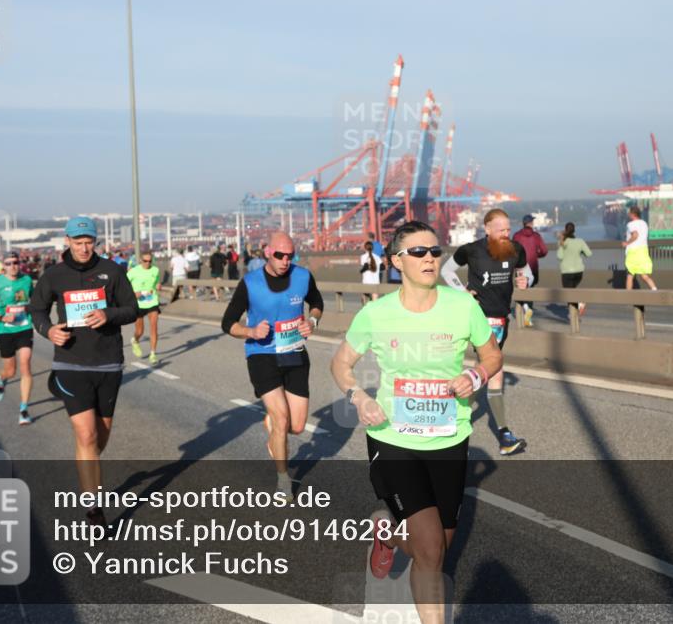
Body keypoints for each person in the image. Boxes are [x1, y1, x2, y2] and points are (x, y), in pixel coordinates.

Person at [330, 220, 501, 622]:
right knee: (428, 549)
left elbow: (492, 356)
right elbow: (340, 363)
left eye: (434, 251)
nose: (429, 258)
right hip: (393, 438)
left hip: (448, 439)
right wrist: (357, 397)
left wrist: (475, 376)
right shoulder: (376, 313)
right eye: (418, 252)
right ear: (396, 261)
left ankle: (387, 532)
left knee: (438, 548)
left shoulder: (463, 307)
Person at [28, 216, 138, 526]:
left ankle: (87, 461)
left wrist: (109, 313)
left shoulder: (112, 271)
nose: (84, 248)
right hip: (70, 362)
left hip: (108, 363)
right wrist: (48, 330)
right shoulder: (54, 275)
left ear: (95, 242)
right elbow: (36, 309)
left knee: (98, 439)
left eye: (89, 242)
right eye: (78, 242)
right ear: (67, 242)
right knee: (86, 434)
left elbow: (132, 309)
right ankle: (94, 509)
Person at [221, 231, 323, 496]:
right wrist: (250, 332)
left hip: (295, 353)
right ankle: (282, 480)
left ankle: (275, 430)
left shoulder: (302, 277)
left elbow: (317, 302)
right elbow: (227, 322)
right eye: (279, 255)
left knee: (297, 426)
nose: (285, 261)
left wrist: (311, 322)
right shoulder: (251, 283)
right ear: (267, 252)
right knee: (281, 418)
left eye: (290, 256)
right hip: (262, 354)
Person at [441, 208, 529, 456]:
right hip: (476, 316)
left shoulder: (515, 249)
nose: (505, 234)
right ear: (487, 229)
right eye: (501, 230)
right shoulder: (471, 250)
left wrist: (525, 280)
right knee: (493, 368)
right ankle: (501, 434)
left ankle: (456, 421)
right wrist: (461, 292)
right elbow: (447, 271)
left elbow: (525, 272)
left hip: (501, 318)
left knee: (490, 370)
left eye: (508, 229)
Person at [0, 252, 35, 426]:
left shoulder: (26, 280)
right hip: (4, 331)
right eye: (9, 263)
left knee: (25, 364)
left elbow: (33, 299)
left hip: (24, 327)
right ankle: (2, 379)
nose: (13, 266)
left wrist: (30, 308)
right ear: (3, 266)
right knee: (10, 371)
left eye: (15, 262)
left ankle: (23, 409)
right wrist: (2, 318)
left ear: (20, 264)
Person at [512, 214, 548, 327]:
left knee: (522, 289)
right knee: (530, 290)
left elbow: (512, 251)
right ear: (531, 223)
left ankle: (524, 309)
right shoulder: (536, 236)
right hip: (533, 267)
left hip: (520, 268)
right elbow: (544, 251)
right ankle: (528, 313)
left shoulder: (516, 236)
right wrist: (537, 255)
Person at [128, 251, 162, 364]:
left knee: (154, 327)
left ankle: (153, 354)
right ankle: (135, 340)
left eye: (150, 261)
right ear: (140, 261)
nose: (147, 263)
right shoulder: (133, 272)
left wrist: (158, 285)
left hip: (152, 301)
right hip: (138, 304)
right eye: (145, 261)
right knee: (140, 331)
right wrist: (134, 293)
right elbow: (124, 286)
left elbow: (156, 282)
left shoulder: (155, 270)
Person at [557, 222, 592, 315]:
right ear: (574, 230)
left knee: (568, 294)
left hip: (567, 272)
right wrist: (580, 252)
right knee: (572, 291)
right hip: (579, 272)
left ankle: (579, 304)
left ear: (565, 230)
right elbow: (589, 254)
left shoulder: (563, 242)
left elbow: (559, 256)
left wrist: (561, 245)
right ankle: (575, 313)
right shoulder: (580, 241)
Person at [623, 205, 658, 291]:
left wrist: (626, 243)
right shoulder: (644, 223)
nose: (628, 214)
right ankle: (655, 290)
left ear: (632, 214)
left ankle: (628, 296)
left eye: (629, 213)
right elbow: (640, 233)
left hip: (633, 252)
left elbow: (635, 235)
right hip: (643, 251)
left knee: (630, 275)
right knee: (644, 276)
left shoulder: (630, 224)